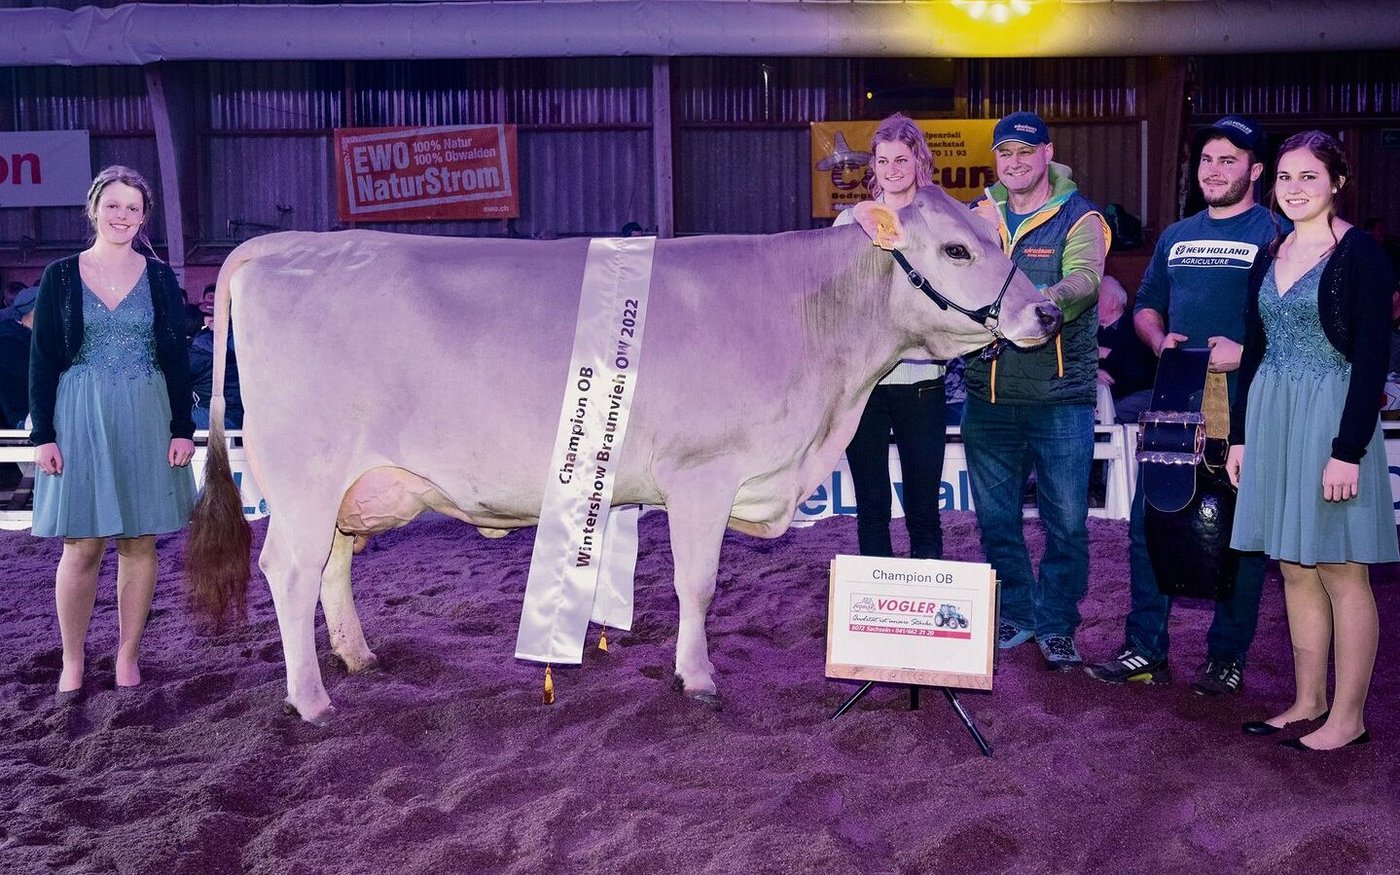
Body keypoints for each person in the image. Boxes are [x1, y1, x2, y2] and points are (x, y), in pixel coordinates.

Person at [1088, 115, 1283, 695]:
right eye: (1206, 160)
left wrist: (1244, 352)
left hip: (1246, 401)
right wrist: (1156, 338)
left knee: (1240, 532)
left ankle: (1226, 657)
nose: (1215, 171)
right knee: (1151, 522)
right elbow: (1147, 304)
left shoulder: (1275, 235)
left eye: (1229, 160)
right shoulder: (1175, 235)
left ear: (1255, 170)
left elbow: (1296, 325)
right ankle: (1145, 648)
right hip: (1177, 396)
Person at [1227, 131, 1398, 750]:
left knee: (1341, 568)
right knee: (1294, 567)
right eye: (1285, 178)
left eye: (1308, 177)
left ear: (1337, 183)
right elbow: (1254, 353)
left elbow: (1374, 358)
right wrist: (1241, 437)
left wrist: (1347, 449)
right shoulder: (1268, 253)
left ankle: (1349, 717)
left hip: (1332, 416)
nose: (1294, 189)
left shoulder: (1360, 255)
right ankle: (1308, 700)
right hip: (1274, 415)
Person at [29, 165, 196, 703]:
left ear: (143, 217)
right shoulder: (59, 275)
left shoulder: (160, 277)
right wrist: (44, 435)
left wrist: (181, 428)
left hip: (146, 414)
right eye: (113, 205)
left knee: (139, 541)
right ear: (93, 208)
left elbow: (174, 357)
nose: (121, 215)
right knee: (82, 545)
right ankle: (72, 660)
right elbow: (42, 359)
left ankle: (127, 655)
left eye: (132, 207)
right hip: (79, 414)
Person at [962, 111, 1110, 670]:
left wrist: (1037, 305)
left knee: (1067, 523)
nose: (1015, 162)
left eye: (1025, 152)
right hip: (989, 397)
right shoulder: (978, 215)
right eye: (1004, 153)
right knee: (996, 523)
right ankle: (1019, 615)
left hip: (1059, 399)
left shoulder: (1080, 217)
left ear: (1048, 154)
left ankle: (1057, 625)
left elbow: (1087, 280)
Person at [834, 113, 948, 559]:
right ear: (874, 167)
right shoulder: (849, 222)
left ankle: (928, 603)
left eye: (902, 159)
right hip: (867, 387)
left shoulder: (941, 217)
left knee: (924, 507)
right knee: (872, 505)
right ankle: (875, 610)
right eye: (883, 161)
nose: (892, 170)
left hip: (922, 382)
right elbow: (834, 296)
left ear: (919, 160)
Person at [1095, 275, 1156, 425]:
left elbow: (1143, 372)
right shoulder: (1089, 331)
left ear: (1113, 302)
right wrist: (1092, 371)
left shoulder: (1138, 327)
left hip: (1138, 394)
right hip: (1101, 398)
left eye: (1098, 296)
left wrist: (1108, 354)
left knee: (1113, 413)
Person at [189, 283, 243, 429]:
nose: (211, 320)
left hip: (216, 416)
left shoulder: (205, 344)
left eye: (215, 314)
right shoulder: (234, 339)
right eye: (208, 316)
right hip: (234, 416)